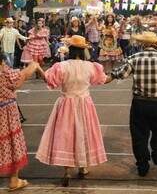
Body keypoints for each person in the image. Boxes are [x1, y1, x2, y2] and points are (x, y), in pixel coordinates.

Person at [36, 35, 112, 187]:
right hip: (84, 103)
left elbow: (50, 80)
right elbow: (103, 79)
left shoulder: (62, 66)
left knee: (66, 135)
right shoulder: (90, 66)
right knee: (84, 133)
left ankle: (67, 172)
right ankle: (83, 167)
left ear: (70, 50)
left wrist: (38, 68)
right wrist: (117, 74)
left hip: (66, 104)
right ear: (83, 51)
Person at [111, 32, 157, 177]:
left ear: (143, 44)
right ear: (156, 45)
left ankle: (142, 164)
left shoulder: (134, 58)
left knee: (139, 134)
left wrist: (110, 73)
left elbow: (121, 74)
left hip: (140, 102)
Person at [0, 54, 41, 190]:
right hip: (5, 112)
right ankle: (14, 180)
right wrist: (33, 65)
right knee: (11, 142)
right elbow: (19, 78)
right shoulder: (4, 71)